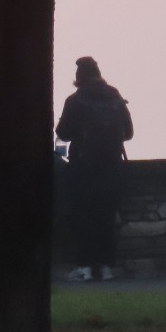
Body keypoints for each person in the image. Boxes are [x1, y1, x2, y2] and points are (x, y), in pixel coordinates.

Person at [55, 56, 134, 282]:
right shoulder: (115, 97)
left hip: (83, 167)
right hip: (112, 167)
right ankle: (107, 267)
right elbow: (128, 133)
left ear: (79, 77)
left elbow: (63, 133)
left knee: (83, 217)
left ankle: (85, 267)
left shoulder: (76, 100)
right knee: (106, 217)